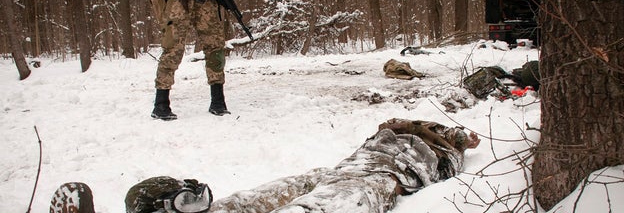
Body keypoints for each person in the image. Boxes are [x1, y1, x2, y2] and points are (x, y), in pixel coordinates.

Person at [123, 118, 480, 212]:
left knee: (319, 206)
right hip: (345, 168)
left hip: (384, 176)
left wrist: (453, 136)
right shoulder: (394, 129)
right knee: (256, 198)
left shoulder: (444, 144)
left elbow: (465, 140)